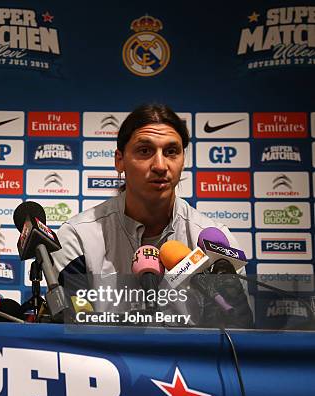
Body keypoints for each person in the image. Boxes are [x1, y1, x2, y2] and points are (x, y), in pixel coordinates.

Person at [52, 103, 252, 327]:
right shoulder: (78, 237)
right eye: (145, 151)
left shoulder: (214, 241)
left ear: (183, 160)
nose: (160, 165)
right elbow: (76, 328)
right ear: (120, 160)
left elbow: (237, 333)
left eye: (171, 151)